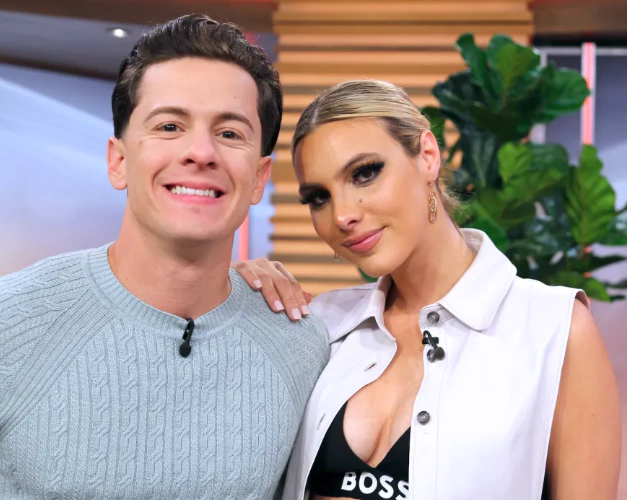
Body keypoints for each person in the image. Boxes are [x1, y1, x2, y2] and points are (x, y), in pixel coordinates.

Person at [232, 80, 622, 500]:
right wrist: (233, 289)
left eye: (364, 173)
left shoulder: (555, 329)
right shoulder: (321, 327)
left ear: (428, 156)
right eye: (319, 197)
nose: (342, 215)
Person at [0, 14, 329, 499]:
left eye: (230, 133)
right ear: (118, 160)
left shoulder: (302, 346)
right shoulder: (12, 321)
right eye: (170, 126)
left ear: (260, 178)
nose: (201, 152)